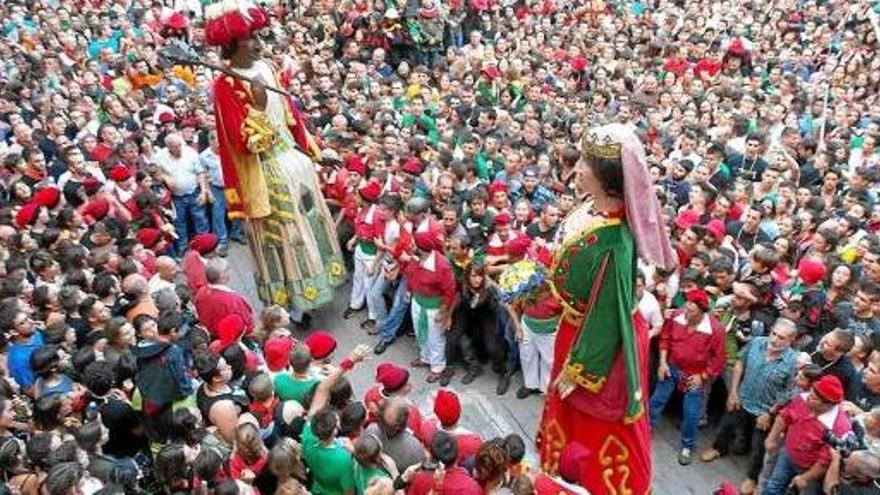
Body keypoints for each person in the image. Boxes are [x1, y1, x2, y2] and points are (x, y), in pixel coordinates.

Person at [536, 124, 676, 494]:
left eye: (586, 164)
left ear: (608, 180)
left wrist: (581, 368)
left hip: (596, 341)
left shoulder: (614, 241)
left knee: (591, 417)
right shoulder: (591, 208)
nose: (577, 168)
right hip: (578, 325)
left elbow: (607, 312)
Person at [207, 1, 345, 317]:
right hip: (267, 171)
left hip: (296, 162)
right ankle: (293, 303)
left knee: (311, 225)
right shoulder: (225, 86)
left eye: (258, 36)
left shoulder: (267, 67)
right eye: (249, 39)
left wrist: (315, 152)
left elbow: (291, 116)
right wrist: (256, 106)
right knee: (284, 235)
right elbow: (244, 144)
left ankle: (318, 283)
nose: (258, 44)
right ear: (231, 45)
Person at [699, 318, 799, 495]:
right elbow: (739, 362)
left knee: (759, 445)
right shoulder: (757, 342)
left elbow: (789, 392)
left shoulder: (792, 361)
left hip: (765, 410)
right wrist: (733, 391)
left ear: (791, 340)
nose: (775, 340)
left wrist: (770, 412)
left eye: (782, 338)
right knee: (726, 425)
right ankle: (718, 448)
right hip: (742, 398)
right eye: (774, 334)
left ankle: (752, 477)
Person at [649, 287, 726, 464]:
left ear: (701, 312)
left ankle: (687, 446)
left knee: (691, 412)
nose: (687, 313)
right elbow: (665, 339)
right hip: (671, 366)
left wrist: (703, 376)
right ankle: (645, 430)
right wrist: (662, 363)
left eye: (691, 311)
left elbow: (719, 359)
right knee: (657, 399)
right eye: (687, 307)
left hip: (694, 375)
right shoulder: (677, 315)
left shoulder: (715, 329)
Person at [763, 374, 853, 495]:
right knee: (774, 486)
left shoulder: (839, 427)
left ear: (829, 404)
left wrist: (806, 478)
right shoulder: (803, 398)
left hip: (810, 469)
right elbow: (785, 416)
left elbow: (825, 460)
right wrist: (772, 438)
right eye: (810, 393)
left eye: (814, 398)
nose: (808, 398)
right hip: (788, 454)